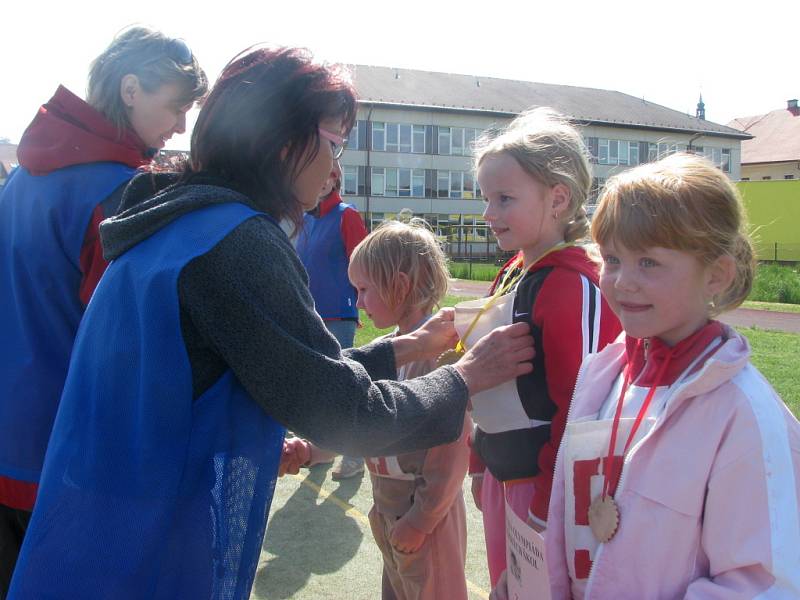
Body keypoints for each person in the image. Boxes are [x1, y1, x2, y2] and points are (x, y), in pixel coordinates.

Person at [7, 46, 534, 600]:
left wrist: (402, 349)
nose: (336, 170)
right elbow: (342, 411)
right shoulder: (237, 241)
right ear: (282, 141)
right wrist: (465, 376)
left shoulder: (175, 220)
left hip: (99, 522)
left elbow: (280, 365)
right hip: (153, 547)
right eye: (333, 144)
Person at [0, 26, 206, 597]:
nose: (182, 126)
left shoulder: (18, 180)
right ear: (132, 89)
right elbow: (131, 352)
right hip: (70, 459)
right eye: (177, 106)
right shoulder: (119, 195)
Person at [546, 153, 800, 598]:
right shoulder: (605, 375)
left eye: (649, 263)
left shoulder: (744, 414)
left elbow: (759, 585)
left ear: (716, 274)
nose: (623, 281)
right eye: (612, 258)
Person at [466, 107, 621, 590]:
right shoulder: (516, 270)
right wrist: (479, 458)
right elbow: (493, 379)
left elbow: (582, 408)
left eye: (504, 199)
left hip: (544, 489)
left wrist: (545, 504)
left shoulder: (571, 284)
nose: (488, 214)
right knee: (505, 586)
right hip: (504, 474)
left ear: (558, 199)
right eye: (486, 198)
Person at [287, 220, 472, 599]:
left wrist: (421, 520)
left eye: (364, 290)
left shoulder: (441, 359)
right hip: (386, 509)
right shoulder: (387, 353)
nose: (357, 302)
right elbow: (360, 422)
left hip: (426, 516)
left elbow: (451, 454)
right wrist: (311, 449)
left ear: (400, 286)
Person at [296, 167, 369, 480]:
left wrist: (362, 302)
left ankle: (355, 454)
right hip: (309, 316)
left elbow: (364, 264)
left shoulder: (346, 215)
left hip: (339, 316)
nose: (320, 180)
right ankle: (322, 448)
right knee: (316, 388)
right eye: (316, 174)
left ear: (336, 180)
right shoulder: (306, 219)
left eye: (327, 175)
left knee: (342, 387)